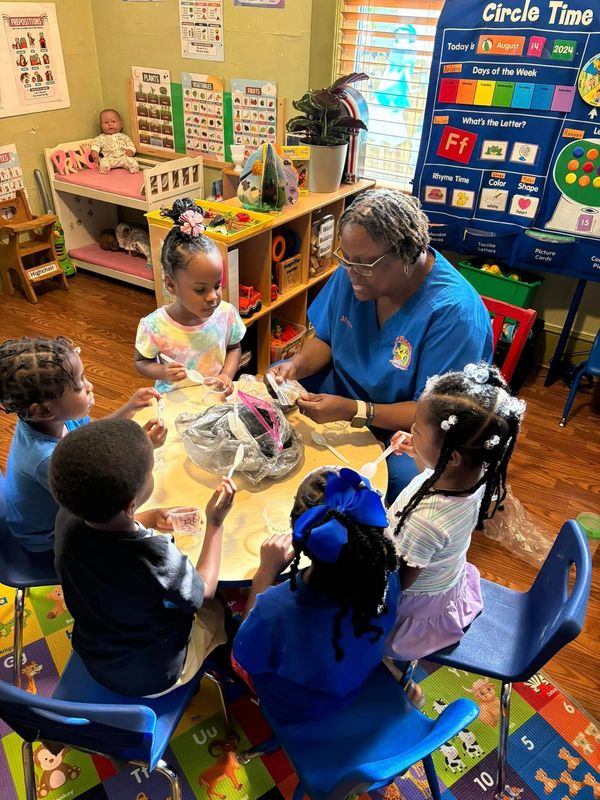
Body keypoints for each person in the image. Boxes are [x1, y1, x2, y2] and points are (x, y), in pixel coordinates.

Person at [267, 188, 494, 500]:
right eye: (346, 259)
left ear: (407, 254)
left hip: (410, 426)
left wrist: (355, 411)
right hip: (345, 391)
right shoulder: (354, 271)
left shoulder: (455, 315)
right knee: (277, 379)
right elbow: (326, 339)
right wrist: (294, 367)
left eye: (364, 264)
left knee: (400, 480)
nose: (351, 273)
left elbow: (432, 413)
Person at [49, 418, 236, 697]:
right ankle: (224, 665)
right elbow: (204, 591)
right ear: (131, 505)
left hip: (96, 655)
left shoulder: (67, 518)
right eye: (150, 471)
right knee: (218, 606)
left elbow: (108, 531)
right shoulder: (155, 556)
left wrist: (149, 517)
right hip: (154, 676)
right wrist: (216, 523)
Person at [232, 466, 400, 724]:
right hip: (352, 683)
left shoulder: (274, 610)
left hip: (296, 707)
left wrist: (264, 575)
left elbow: (244, 656)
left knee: (231, 653)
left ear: (298, 537)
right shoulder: (388, 577)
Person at [385, 362, 526, 662]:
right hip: (445, 581)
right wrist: (418, 450)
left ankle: (389, 669)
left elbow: (396, 584)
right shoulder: (475, 475)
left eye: (417, 430)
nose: (411, 431)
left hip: (412, 606)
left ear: (452, 457)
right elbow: (432, 473)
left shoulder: (425, 522)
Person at [0, 336, 165, 554]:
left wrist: (130, 408)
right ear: (43, 410)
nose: (89, 386)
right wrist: (144, 451)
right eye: (79, 386)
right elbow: (105, 509)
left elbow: (93, 434)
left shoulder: (51, 420)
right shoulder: (48, 459)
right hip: (48, 539)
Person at [135, 197, 245, 395]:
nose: (212, 297)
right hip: (173, 401)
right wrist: (162, 371)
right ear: (171, 284)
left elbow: (234, 348)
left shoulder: (226, 314)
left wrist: (226, 375)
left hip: (213, 397)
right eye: (200, 290)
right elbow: (141, 362)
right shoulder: (154, 326)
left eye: (217, 286)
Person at [91, 109, 139, 174]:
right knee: (103, 163)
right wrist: (94, 152)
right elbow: (95, 145)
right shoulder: (101, 138)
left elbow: (130, 144)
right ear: (101, 126)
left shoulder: (123, 136)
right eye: (106, 122)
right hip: (109, 158)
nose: (110, 124)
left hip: (123, 157)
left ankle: (134, 171)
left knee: (133, 162)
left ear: (121, 124)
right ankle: (104, 171)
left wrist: (130, 150)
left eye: (113, 121)